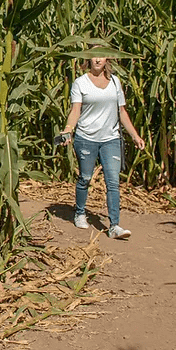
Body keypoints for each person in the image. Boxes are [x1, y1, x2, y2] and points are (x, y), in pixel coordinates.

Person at [58, 56, 145, 239]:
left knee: (113, 182)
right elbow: (76, 110)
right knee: (85, 178)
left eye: (102, 56)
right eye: (94, 56)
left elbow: (121, 111)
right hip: (86, 138)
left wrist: (135, 135)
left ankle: (114, 226)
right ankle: (80, 213)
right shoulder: (80, 83)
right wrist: (68, 130)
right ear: (89, 59)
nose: (98, 60)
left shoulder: (115, 82)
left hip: (111, 139)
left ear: (107, 59)